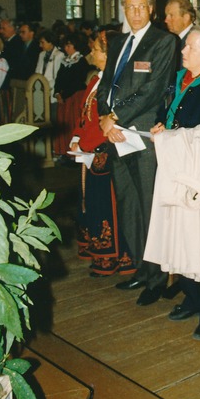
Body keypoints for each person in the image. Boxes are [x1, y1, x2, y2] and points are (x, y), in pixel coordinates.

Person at [146, 25, 200, 339]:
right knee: (180, 236)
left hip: (198, 175)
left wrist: (172, 137)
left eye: (190, 47)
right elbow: (166, 112)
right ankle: (191, 297)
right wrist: (160, 125)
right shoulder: (180, 79)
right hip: (174, 168)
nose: (183, 52)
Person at [96, 0, 177, 305]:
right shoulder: (118, 42)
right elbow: (106, 83)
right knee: (128, 204)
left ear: (151, 9)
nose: (135, 13)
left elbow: (153, 91)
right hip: (115, 133)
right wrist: (105, 116)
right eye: (129, 7)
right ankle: (141, 268)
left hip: (141, 134)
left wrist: (115, 116)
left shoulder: (163, 41)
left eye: (141, 7)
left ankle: (157, 278)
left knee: (148, 205)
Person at [70, 31, 136, 277]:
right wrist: (77, 138)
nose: (91, 54)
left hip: (105, 152)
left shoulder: (117, 84)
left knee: (107, 207)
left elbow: (108, 123)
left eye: (96, 50)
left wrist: (89, 145)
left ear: (109, 55)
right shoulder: (94, 80)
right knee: (92, 206)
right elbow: (85, 116)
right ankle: (99, 253)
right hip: (89, 151)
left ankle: (114, 258)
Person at [53, 33, 89, 159]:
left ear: (75, 46)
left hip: (74, 96)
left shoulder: (81, 60)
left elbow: (78, 81)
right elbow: (58, 79)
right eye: (65, 46)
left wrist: (65, 95)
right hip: (64, 97)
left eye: (69, 45)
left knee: (73, 123)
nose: (66, 48)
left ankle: (74, 154)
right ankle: (64, 152)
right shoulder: (65, 60)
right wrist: (57, 93)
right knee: (64, 123)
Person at [35, 29, 64, 121]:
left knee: (52, 117)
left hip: (51, 91)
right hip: (40, 92)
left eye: (42, 42)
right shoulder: (41, 54)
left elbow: (56, 76)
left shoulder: (59, 55)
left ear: (50, 42)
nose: (40, 45)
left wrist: (46, 86)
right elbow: (37, 73)